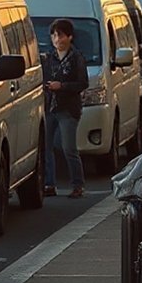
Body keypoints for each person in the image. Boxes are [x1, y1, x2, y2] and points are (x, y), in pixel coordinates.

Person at [42, 18, 89, 198]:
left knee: (68, 148)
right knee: (46, 147)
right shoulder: (49, 57)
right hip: (50, 107)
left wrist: (61, 86)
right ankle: (49, 183)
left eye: (60, 35)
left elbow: (82, 83)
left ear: (69, 37)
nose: (56, 39)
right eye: (54, 35)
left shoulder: (76, 57)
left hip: (68, 109)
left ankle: (78, 185)